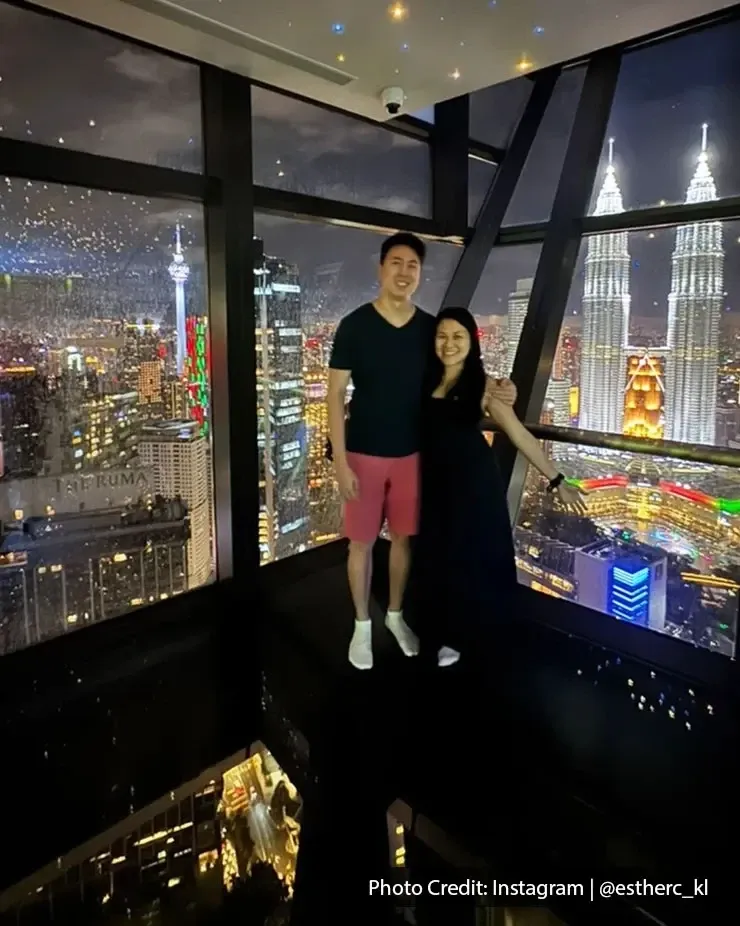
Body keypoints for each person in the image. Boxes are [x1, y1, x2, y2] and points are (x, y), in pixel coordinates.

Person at [328, 232, 518, 670]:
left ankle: (395, 615)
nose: (404, 271)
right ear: (381, 268)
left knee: (404, 541)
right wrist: (340, 460)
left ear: (419, 274)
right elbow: (335, 396)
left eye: (412, 265)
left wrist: (504, 387)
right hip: (364, 454)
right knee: (359, 543)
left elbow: (460, 367)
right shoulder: (354, 325)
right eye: (396, 262)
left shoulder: (428, 327)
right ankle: (362, 625)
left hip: (415, 457)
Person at [412, 306, 587, 668]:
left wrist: (556, 480)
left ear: (471, 342)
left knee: (468, 560)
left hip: (472, 485)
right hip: (432, 484)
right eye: (442, 336)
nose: (449, 343)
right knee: (435, 557)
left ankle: (461, 636)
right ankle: (438, 627)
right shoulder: (425, 379)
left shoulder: (483, 386)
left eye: (458, 336)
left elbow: (520, 434)